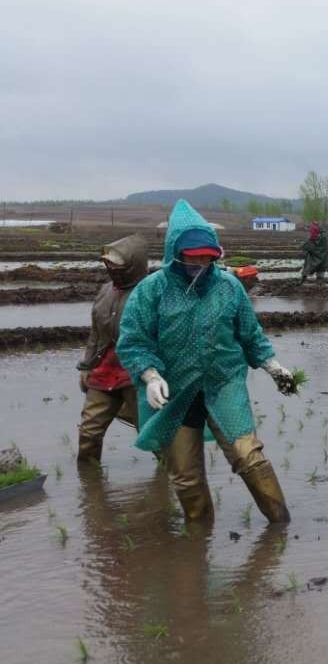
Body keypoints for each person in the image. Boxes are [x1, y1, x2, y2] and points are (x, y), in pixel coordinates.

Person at [117, 200, 295, 522]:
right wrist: (150, 375)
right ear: (176, 252)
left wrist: (272, 366)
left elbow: (250, 334)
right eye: (192, 256)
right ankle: (199, 539)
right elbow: (133, 341)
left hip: (223, 383)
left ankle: (281, 525)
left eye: (207, 256)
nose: (200, 262)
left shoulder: (229, 287)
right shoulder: (151, 291)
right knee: (186, 477)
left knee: (249, 456)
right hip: (175, 392)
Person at [76, 234, 154, 462]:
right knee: (89, 431)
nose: (111, 269)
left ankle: (172, 477)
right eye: (108, 264)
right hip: (104, 370)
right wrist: (86, 366)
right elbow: (96, 333)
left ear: (132, 265)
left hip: (138, 373)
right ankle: (89, 479)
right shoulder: (105, 291)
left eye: (117, 265)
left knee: (150, 431)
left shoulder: (150, 293)